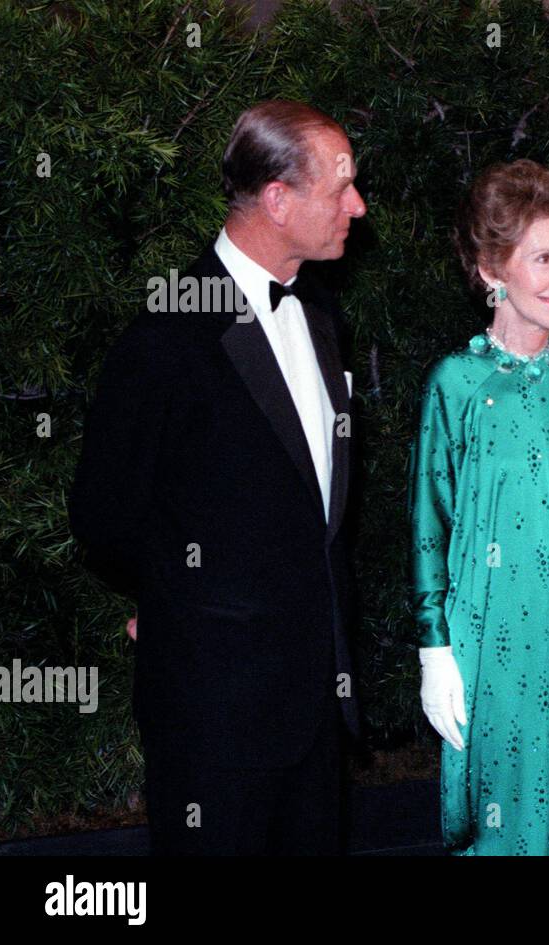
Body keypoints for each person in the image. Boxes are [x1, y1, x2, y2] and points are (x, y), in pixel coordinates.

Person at [68, 100, 367, 854]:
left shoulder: (324, 317)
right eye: (340, 189)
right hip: (214, 717)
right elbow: (104, 517)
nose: (357, 207)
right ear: (278, 199)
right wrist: (179, 599)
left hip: (317, 711)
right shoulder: (166, 333)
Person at [411, 159, 549, 855]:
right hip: (491, 642)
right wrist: (433, 647)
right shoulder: (457, 382)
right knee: (496, 824)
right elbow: (430, 521)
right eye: (544, 257)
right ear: (490, 268)